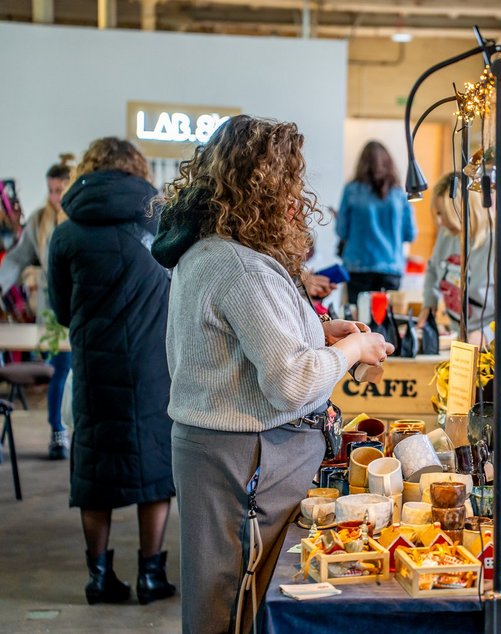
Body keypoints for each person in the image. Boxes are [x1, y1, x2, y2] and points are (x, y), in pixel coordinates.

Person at [152, 115, 393, 633]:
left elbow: (252, 345)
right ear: (265, 185)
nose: (298, 194)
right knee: (230, 599)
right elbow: (288, 381)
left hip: (229, 456)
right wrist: (354, 348)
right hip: (242, 461)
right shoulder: (238, 265)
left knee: (224, 590)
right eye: (292, 179)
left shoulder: (218, 252)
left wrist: (322, 329)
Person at [47, 138, 176, 605]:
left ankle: (99, 578)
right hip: (151, 366)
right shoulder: (160, 221)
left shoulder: (66, 233)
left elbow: (61, 309)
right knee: (154, 470)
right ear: (136, 170)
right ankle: (150, 576)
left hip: (94, 365)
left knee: (95, 471)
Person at [0, 156, 73, 459]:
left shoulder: (78, 219)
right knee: (59, 368)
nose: (55, 197)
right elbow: (17, 259)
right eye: (51, 190)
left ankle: (65, 429)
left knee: (70, 371)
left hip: (78, 308)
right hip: (50, 312)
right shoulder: (39, 220)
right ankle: (58, 430)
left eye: (60, 190)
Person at [420, 172, 501, 346]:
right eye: (438, 214)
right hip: (465, 342)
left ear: (464, 210)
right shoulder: (448, 234)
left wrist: (487, 335)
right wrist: (429, 305)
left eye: (444, 214)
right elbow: (433, 268)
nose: (440, 222)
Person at [336, 141, 417, 302]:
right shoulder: (399, 193)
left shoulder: (352, 190)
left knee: (359, 322)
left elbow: (341, 230)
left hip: (358, 265)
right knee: (385, 322)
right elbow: (410, 234)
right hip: (391, 266)